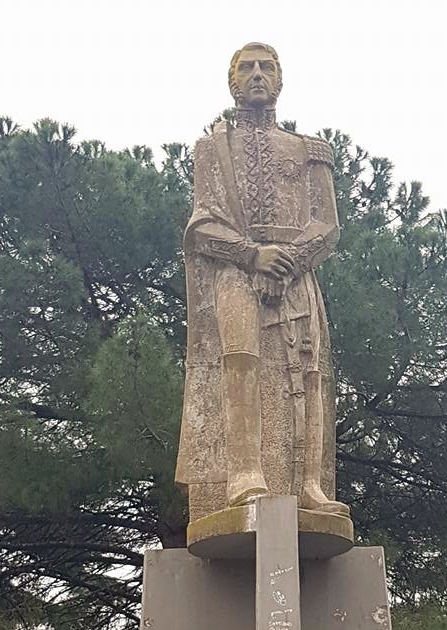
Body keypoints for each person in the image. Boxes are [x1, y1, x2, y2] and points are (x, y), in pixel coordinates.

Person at [175, 42, 349, 521]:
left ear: (279, 78)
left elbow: (327, 226)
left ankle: (307, 483)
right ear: (232, 80)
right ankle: (244, 475)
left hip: (296, 270)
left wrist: (287, 261)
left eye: (266, 66)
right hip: (236, 268)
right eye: (246, 67)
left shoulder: (309, 149)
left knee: (308, 372)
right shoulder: (213, 149)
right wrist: (253, 255)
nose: (256, 74)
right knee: (240, 361)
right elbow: (201, 226)